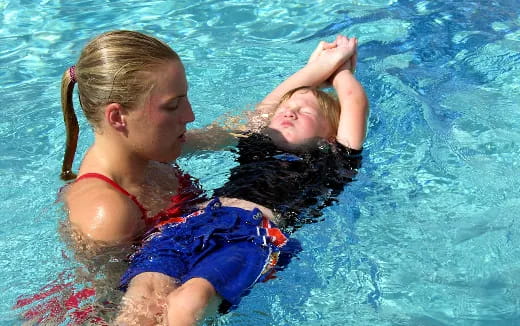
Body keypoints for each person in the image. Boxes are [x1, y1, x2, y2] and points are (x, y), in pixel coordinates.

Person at [115, 34, 368, 325]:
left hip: (252, 235)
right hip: (193, 223)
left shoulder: (333, 159)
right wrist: (316, 68)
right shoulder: (256, 144)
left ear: (331, 135)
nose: (290, 112)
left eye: (305, 112)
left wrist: (341, 69)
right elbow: (268, 108)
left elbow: (353, 101)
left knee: (187, 302)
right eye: (286, 109)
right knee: (143, 294)